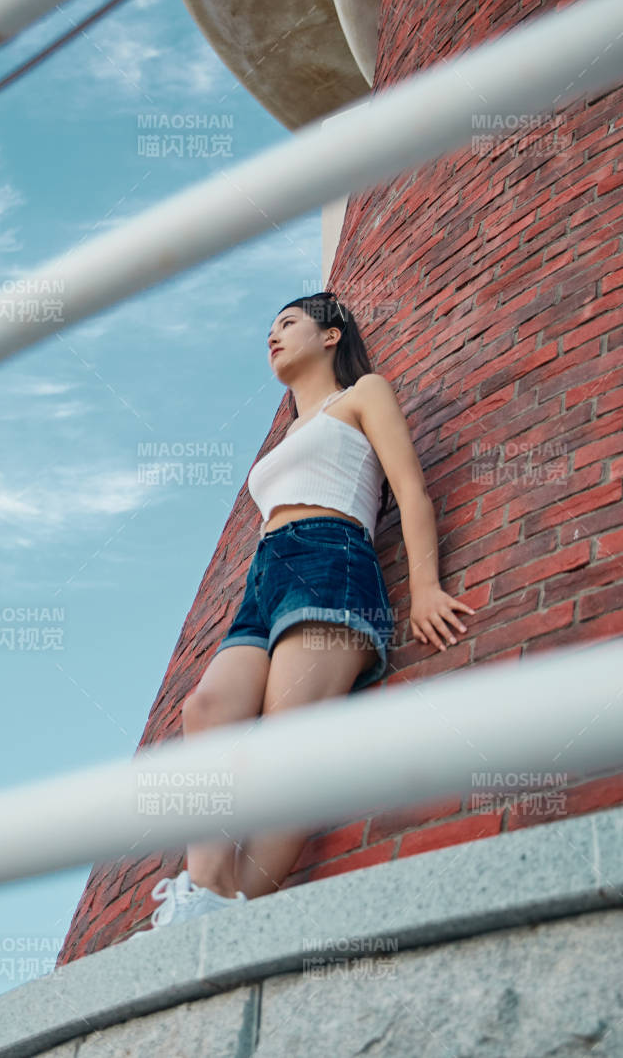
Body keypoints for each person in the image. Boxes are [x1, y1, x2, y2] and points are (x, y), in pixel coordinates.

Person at [128, 292, 478, 940]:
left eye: (287, 323)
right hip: (266, 574)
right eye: (269, 329)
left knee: (290, 747)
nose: (273, 336)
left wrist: (425, 585)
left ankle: (233, 909)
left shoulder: (363, 394)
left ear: (330, 336)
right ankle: (200, 894)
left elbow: (410, 488)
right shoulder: (290, 429)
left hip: (330, 555)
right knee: (204, 710)